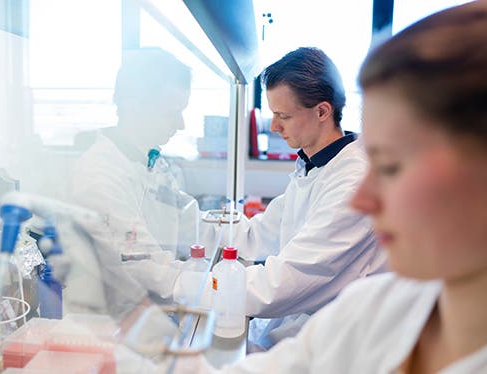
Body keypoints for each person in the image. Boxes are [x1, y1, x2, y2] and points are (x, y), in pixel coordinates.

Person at [164, 1, 487, 372]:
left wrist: (173, 281)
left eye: (392, 165)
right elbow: (260, 234)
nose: (363, 199)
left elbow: (282, 284)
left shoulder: (347, 177)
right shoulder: (379, 307)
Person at [224, 47, 387, 351]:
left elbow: (282, 284)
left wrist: (188, 287)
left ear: (323, 111)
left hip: (338, 344)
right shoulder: (313, 166)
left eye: (283, 115)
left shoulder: (353, 180)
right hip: (301, 329)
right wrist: (198, 229)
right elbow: (261, 234)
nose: (274, 127)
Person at [65, 47, 198, 313]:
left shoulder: (148, 157)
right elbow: (139, 263)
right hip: (115, 316)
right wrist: (209, 284)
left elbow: (178, 215)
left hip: (153, 300)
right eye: (171, 112)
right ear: (133, 107)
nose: (181, 124)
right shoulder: (99, 175)